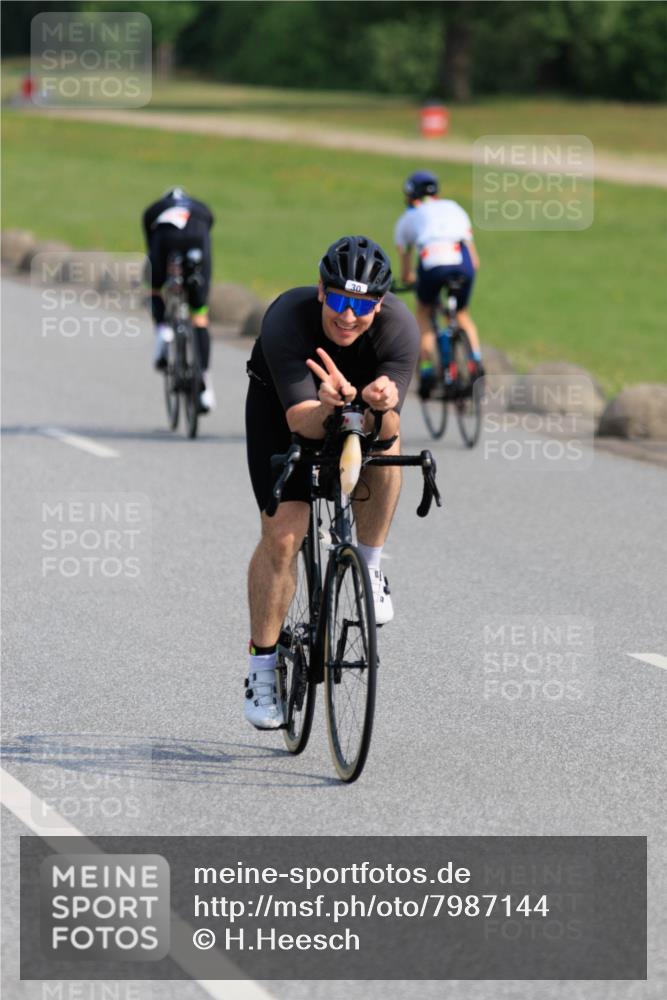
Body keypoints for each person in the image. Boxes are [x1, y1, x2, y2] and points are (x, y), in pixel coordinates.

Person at [243, 235, 419, 730]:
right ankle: (261, 667)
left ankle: (370, 565)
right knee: (282, 536)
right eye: (339, 299)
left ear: (380, 304)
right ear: (322, 290)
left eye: (362, 306)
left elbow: (387, 431)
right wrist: (327, 406)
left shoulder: (400, 331)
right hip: (284, 410)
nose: (348, 316)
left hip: (358, 407)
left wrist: (381, 409)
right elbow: (301, 422)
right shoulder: (286, 318)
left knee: (389, 449)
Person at [394, 170, 482, 399]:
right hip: (462, 261)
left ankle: (427, 372)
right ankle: (476, 364)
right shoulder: (454, 207)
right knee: (462, 313)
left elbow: (406, 270)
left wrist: (411, 279)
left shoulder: (408, 217)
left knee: (424, 311)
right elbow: (475, 260)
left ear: (411, 195)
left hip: (432, 261)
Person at [142, 186, 216, 411]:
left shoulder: (154, 209)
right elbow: (209, 227)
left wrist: (159, 275)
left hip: (164, 239)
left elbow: (149, 241)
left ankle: (164, 330)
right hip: (197, 239)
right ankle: (204, 382)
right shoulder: (201, 208)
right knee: (199, 313)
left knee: (154, 289)